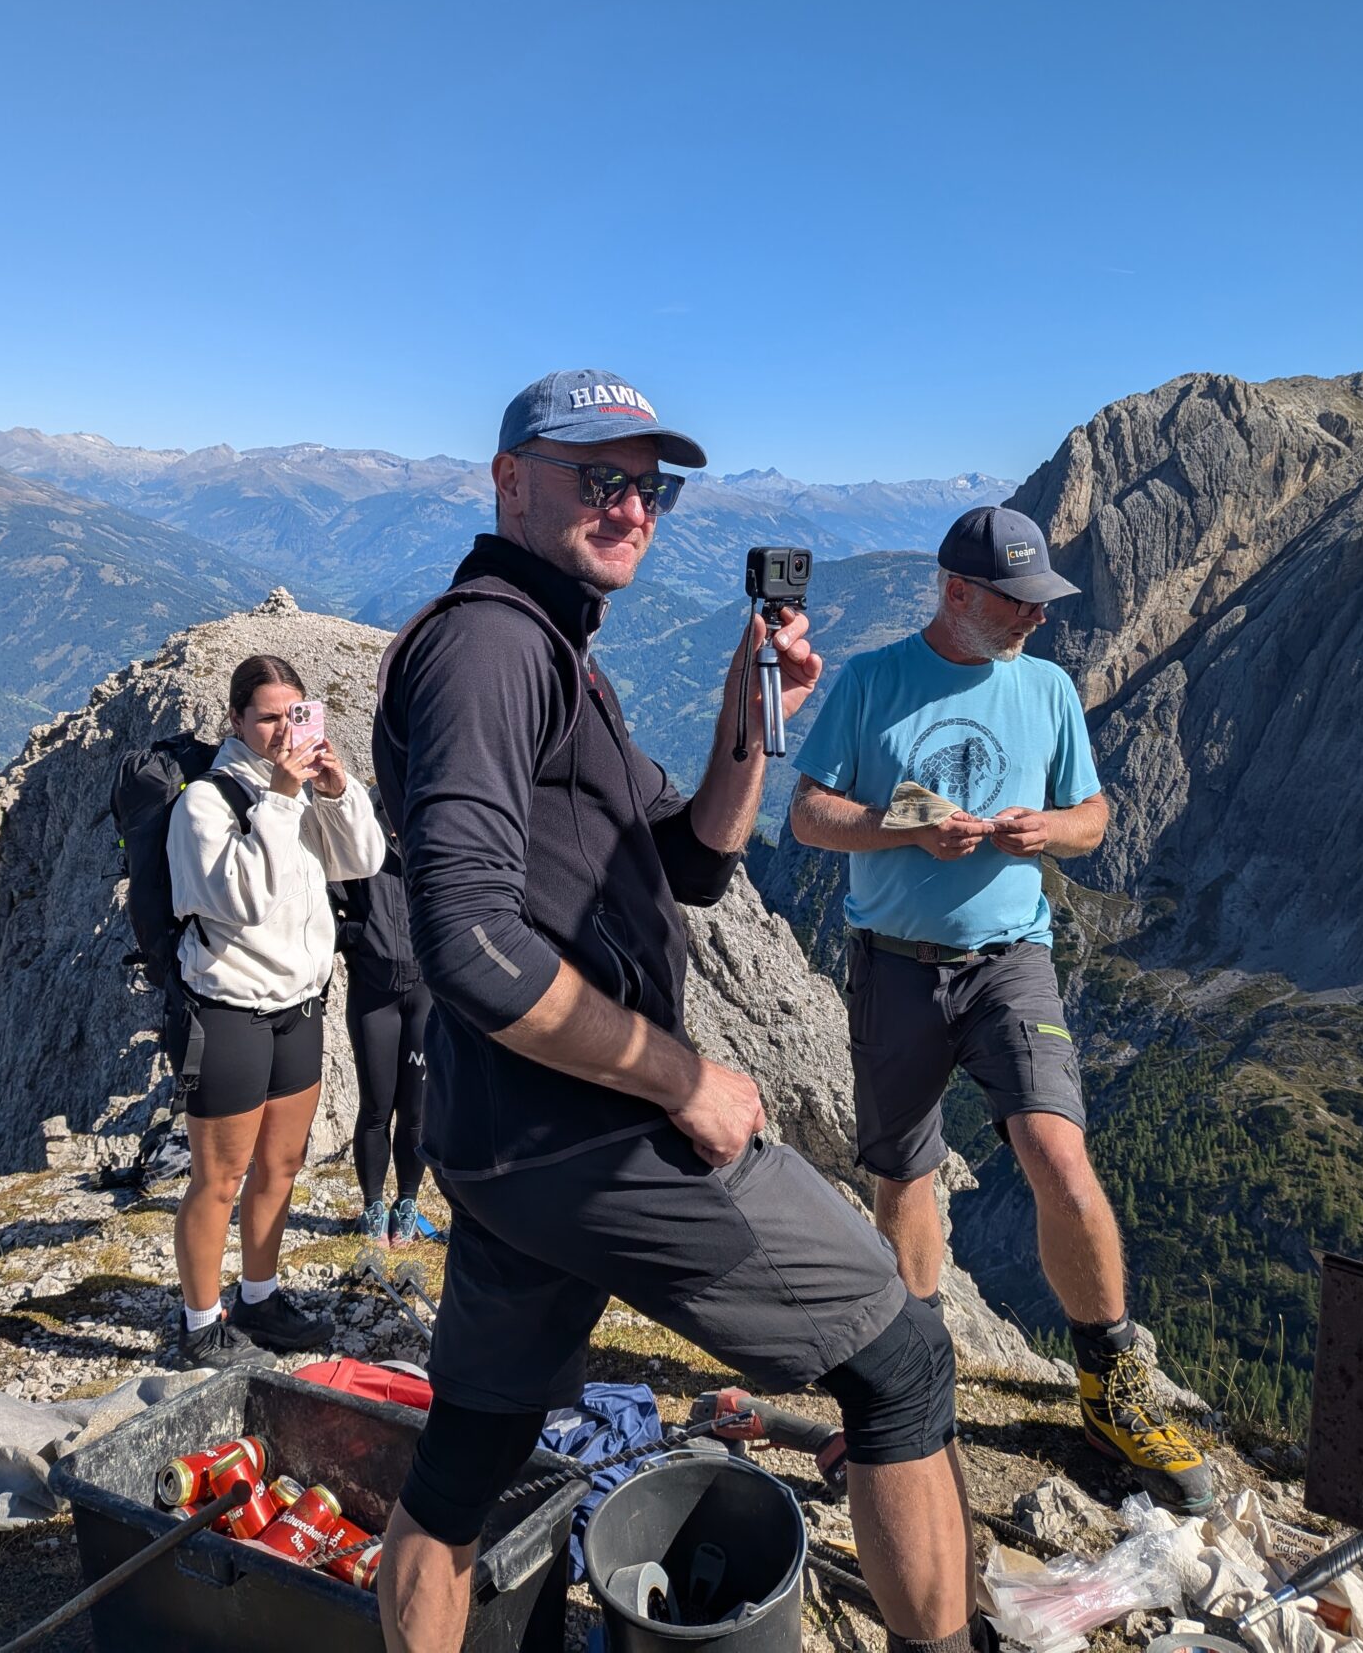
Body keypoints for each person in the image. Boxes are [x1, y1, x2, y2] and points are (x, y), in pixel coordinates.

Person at [372, 370, 986, 1653]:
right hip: (594, 1135)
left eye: (653, 487)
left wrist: (748, 713)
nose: (633, 507)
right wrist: (681, 1077)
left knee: (467, 1456)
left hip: (505, 1141)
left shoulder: (557, 651)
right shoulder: (492, 646)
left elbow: (693, 857)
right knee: (904, 1361)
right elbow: (473, 943)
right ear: (510, 480)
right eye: (600, 476)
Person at [788, 505, 1213, 1510]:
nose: (1036, 617)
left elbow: (1094, 815)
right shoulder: (873, 679)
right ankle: (912, 1381)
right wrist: (907, 828)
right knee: (904, 1173)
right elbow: (808, 813)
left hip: (1012, 959)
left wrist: (1047, 832)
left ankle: (1111, 1383)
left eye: (1039, 601)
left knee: (1058, 1153)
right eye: (1018, 601)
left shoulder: (1048, 687)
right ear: (956, 592)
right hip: (894, 964)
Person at [166, 653, 386, 1365]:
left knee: (281, 1166)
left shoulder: (292, 791)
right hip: (229, 1011)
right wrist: (285, 799)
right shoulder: (206, 803)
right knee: (219, 1178)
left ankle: (259, 1299)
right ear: (235, 719)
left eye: (294, 715)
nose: (282, 731)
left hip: (299, 1005)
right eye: (266, 718)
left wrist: (337, 791)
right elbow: (245, 901)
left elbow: (363, 860)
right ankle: (201, 1324)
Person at [330, 788, 433, 1245]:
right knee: (375, 1107)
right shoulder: (357, 826)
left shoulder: (429, 824)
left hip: (425, 992)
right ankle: (373, 1206)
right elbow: (326, 901)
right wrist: (360, 935)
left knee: (416, 1110)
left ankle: (407, 1202)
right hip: (373, 992)